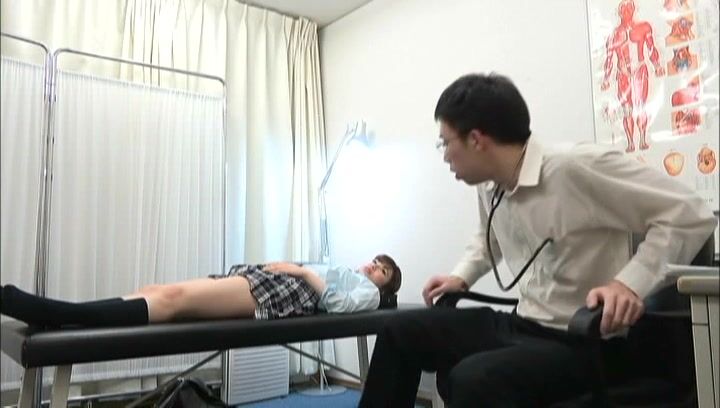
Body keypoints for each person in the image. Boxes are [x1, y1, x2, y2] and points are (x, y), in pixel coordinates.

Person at [358, 73, 716, 408]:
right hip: (524, 322)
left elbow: (689, 213)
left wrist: (629, 284)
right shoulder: (491, 184)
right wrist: (461, 276)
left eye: (445, 142)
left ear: (476, 139)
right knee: (400, 330)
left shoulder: (574, 168)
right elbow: (488, 239)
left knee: (473, 379)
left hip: (585, 339)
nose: (445, 155)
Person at [0, 254, 402, 328]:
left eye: (382, 271)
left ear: (386, 287)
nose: (372, 268)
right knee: (158, 289)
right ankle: (69, 311)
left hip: (287, 294)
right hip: (272, 280)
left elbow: (335, 305)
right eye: (374, 261)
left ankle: (60, 315)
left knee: (172, 301)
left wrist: (300, 271)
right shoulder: (348, 270)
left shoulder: (368, 295)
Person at [601, 0, 665, 153]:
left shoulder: (644, 27)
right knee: (627, 109)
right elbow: (609, 59)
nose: (626, 11)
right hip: (623, 75)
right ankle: (630, 142)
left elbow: (651, 48)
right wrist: (606, 79)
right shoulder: (614, 35)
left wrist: (657, 66)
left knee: (641, 106)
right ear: (619, 12)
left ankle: (642, 138)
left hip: (640, 72)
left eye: (629, 8)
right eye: (623, 8)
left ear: (634, 9)